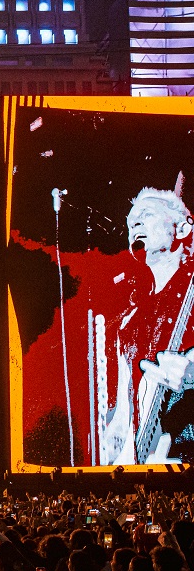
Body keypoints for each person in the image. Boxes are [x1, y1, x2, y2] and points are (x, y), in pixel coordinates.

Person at [97, 187, 194, 464]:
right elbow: (125, 412)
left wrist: (191, 373)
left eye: (147, 215)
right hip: (152, 464)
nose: (135, 224)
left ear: (182, 230)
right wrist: (111, 449)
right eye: (131, 222)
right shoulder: (129, 322)